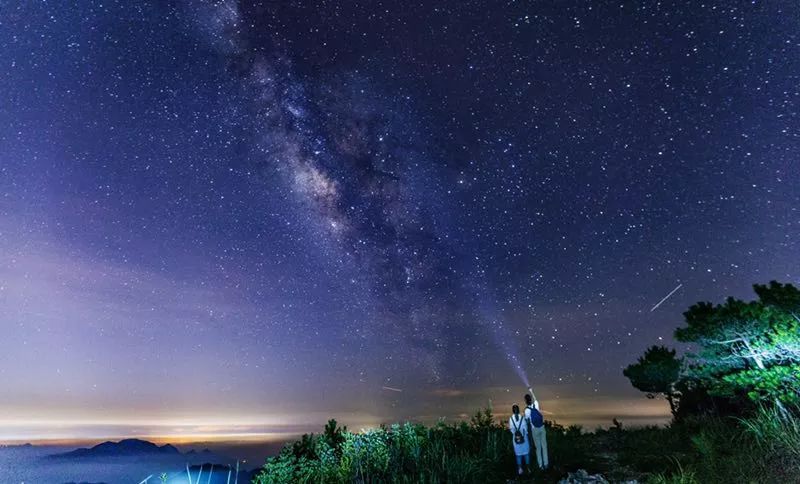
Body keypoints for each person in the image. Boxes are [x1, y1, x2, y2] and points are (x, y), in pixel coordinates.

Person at [524, 387, 549, 470]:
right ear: (531, 399)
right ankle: (546, 464)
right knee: (544, 446)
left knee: (538, 448)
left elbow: (527, 419)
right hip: (541, 427)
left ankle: (540, 465)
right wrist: (531, 391)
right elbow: (536, 399)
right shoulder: (536, 404)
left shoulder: (526, 410)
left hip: (534, 429)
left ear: (525, 401)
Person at [508, 404, 530, 475]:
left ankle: (520, 469)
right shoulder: (522, 418)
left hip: (516, 439)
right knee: (526, 453)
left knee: (518, 454)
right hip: (524, 439)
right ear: (518, 410)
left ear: (513, 411)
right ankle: (528, 468)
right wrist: (523, 434)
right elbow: (526, 429)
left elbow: (511, 430)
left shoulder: (511, 419)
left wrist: (516, 433)